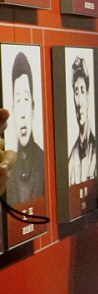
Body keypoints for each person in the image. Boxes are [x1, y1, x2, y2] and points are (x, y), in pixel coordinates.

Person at [7, 51, 41, 204]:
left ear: (33, 108)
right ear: (13, 110)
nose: (22, 113)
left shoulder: (43, 163)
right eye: (18, 100)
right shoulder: (8, 170)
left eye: (26, 99)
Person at [67, 55, 96, 184]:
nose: (79, 102)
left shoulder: (97, 152)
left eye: (82, 91)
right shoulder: (71, 160)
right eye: (76, 92)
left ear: (88, 96)